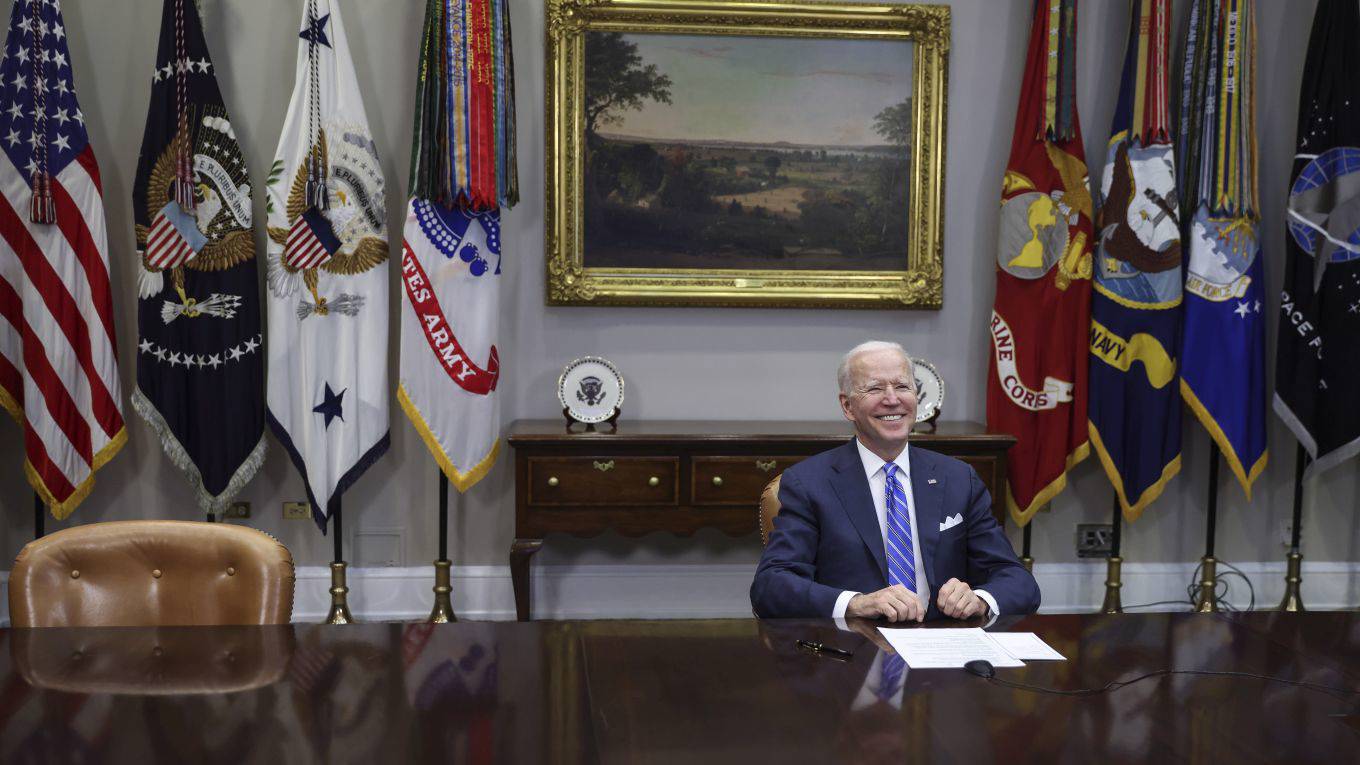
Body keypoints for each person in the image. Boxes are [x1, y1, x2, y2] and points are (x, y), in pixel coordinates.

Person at [751, 341, 1040, 622]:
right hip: (852, 650)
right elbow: (770, 587)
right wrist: (856, 603)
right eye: (875, 388)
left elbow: (1017, 581)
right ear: (848, 406)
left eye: (902, 386)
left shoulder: (958, 478)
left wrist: (978, 599)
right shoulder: (808, 483)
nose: (892, 399)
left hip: (943, 648)